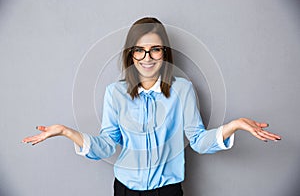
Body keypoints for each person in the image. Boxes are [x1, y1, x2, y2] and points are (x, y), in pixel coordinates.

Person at [22, 17, 281, 196]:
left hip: (168, 191)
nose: (147, 58)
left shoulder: (182, 90)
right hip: (125, 190)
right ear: (131, 54)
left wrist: (233, 125)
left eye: (155, 49)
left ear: (164, 53)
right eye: (140, 50)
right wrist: (68, 133)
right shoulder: (115, 93)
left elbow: (199, 140)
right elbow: (108, 143)